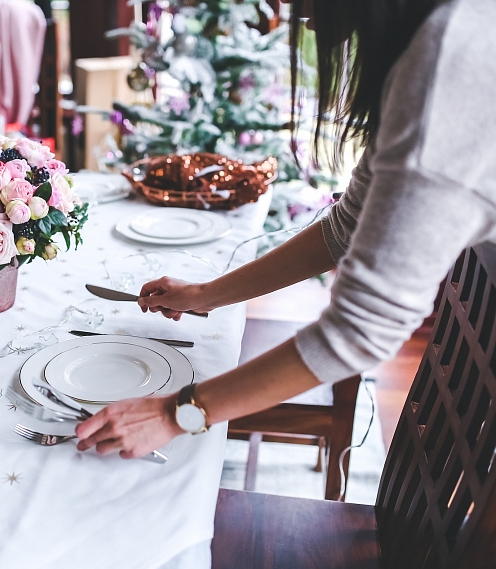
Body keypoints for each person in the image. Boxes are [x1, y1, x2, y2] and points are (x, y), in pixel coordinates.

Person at [75, 0, 496, 458]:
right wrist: (204, 296)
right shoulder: (438, 38)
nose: (293, 11)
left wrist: (175, 414)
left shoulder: (450, 62)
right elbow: (345, 228)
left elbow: (359, 331)